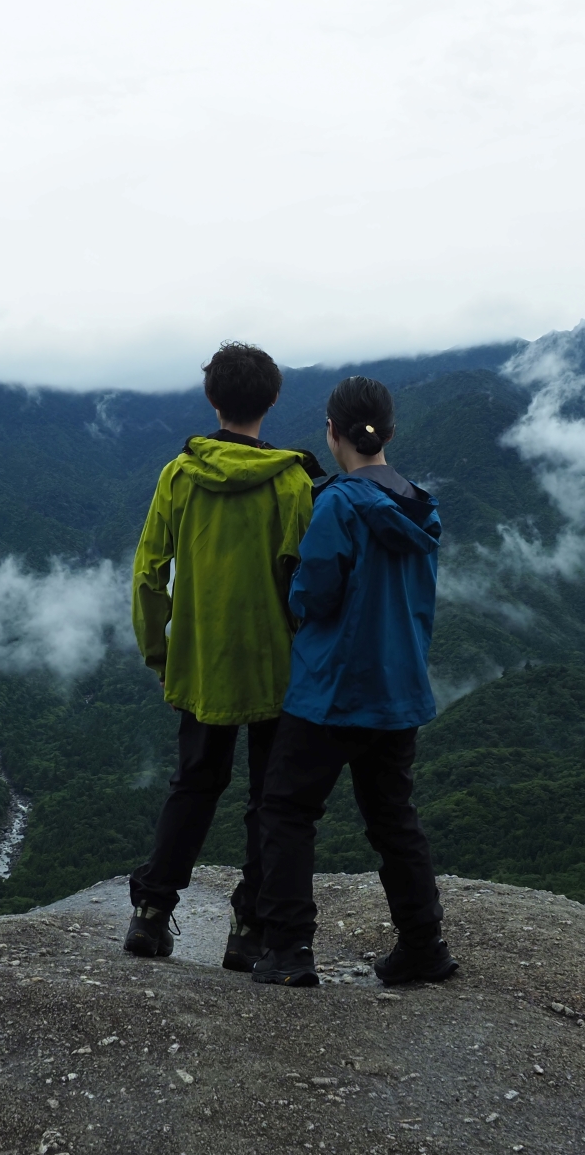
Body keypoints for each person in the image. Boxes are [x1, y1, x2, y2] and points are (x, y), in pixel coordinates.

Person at [249, 375, 455, 989]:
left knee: (286, 809)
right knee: (393, 819)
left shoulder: (337, 503)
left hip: (332, 688)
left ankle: (287, 951)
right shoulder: (421, 505)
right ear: (389, 434)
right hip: (399, 692)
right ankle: (423, 946)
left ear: (332, 432)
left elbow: (315, 593)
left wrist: (291, 584)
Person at [124, 342, 320, 970]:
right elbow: (304, 584)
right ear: (273, 400)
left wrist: (162, 653)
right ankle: (249, 929)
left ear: (212, 398)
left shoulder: (179, 476)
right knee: (270, 797)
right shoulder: (291, 482)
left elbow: (149, 574)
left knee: (194, 784)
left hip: (202, 659)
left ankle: (152, 913)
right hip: (275, 666)